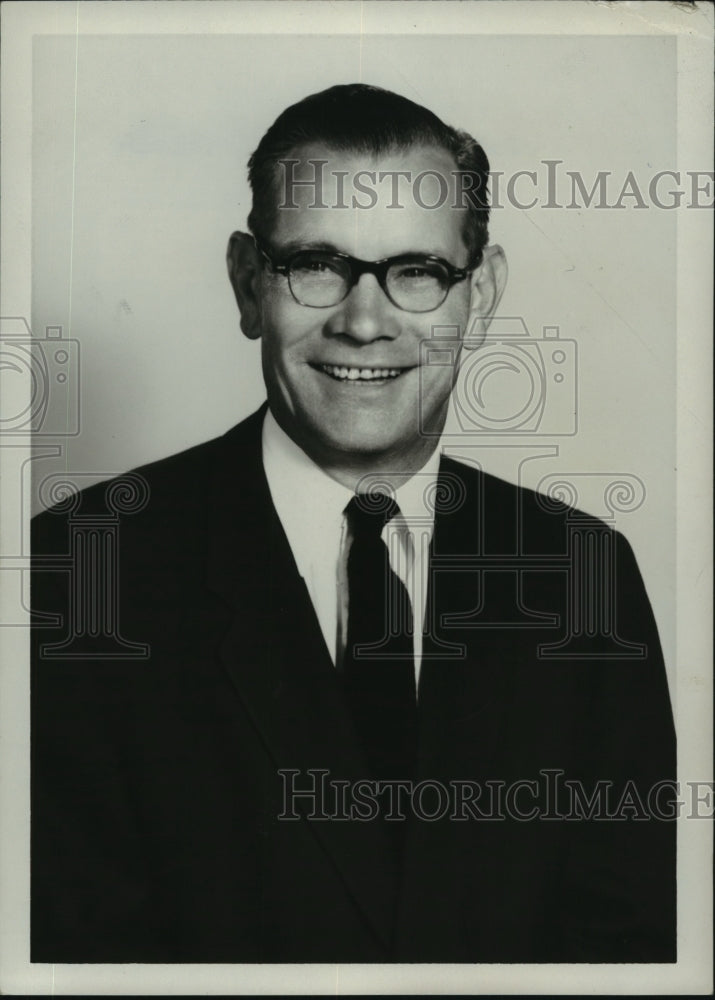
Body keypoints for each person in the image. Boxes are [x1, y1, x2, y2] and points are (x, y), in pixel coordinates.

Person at [31, 83, 676, 964]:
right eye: (317, 265)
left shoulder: (583, 576)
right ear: (248, 283)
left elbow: (626, 950)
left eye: (415, 271)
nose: (364, 321)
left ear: (477, 296)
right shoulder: (77, 572)